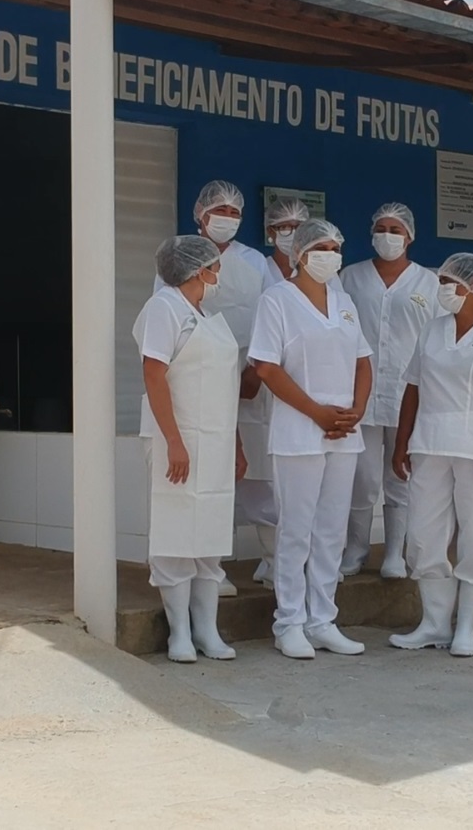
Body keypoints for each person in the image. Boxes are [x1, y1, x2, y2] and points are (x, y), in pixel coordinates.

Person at [389, 253, 473, 658]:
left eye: (450, 281)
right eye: (442, 281)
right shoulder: (432, 330)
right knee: (423, 535)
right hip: (429, 444)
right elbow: (412, 387)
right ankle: (433, 623)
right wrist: (402, 442)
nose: (443, 288)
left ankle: (466, 626)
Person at [249, 218, 373, 659]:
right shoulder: (276, 300)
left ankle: (323, 619)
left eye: (337, 246)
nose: (331, 254)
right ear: (300, 253)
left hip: (344, 431)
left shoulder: (344, 303)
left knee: (331, 531)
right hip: (300, 430)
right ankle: (289, 622)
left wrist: (354, 410)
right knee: (296, 529)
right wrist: (317, 412)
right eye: (321, 246)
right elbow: (266, 367)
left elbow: (362, 361)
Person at [132, 235, 245, 664]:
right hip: (174, 439)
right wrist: (174, 441)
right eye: (216, 265)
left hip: (214, 441)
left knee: (210, 534)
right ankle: (179, 631)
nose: (220, 273)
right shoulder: (164, 309)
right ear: (200, 270)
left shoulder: (208, 316)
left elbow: (223, 389)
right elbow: (154, 374)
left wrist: (233, 442)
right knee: (176, 533)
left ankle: (207, 630)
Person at [159, 181, 272, 598]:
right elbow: (168, 324)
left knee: (251, 474)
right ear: (200, 214)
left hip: (245, 378)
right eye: (219, 210)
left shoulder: (255, 262)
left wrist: (257, 372)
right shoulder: (179, 255)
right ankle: (210, 568)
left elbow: (268, 318)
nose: (227, 218)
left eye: (234, 212)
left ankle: (270, 560)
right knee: (204, 477)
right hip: (197, 381)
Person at [338, 203, 440, 579]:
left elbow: (437, 337)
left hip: (408, 393)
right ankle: (356, 549)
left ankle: (395, 553)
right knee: (361, 479)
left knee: (400, 476)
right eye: (381, 228)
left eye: (396, 229)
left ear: (410, 236)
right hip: (359, 394)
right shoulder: (350, 277)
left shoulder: (429, 284)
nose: (388, 236)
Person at [246, 196, 311, 590]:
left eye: (297, 226)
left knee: (302, 484)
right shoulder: (258, 269)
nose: (289, 233)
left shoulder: (322, 275)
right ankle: (272, 558)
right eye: (282, 226)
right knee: (261, 480)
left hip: (307, 389)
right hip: (262, 382)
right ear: (270, 231)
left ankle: (301, 562)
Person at [261, 196, 309, 290]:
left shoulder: (319, 269)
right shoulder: (260, 269)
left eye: (299, 227)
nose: (294, 233)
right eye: (285, 227)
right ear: (270, 231)